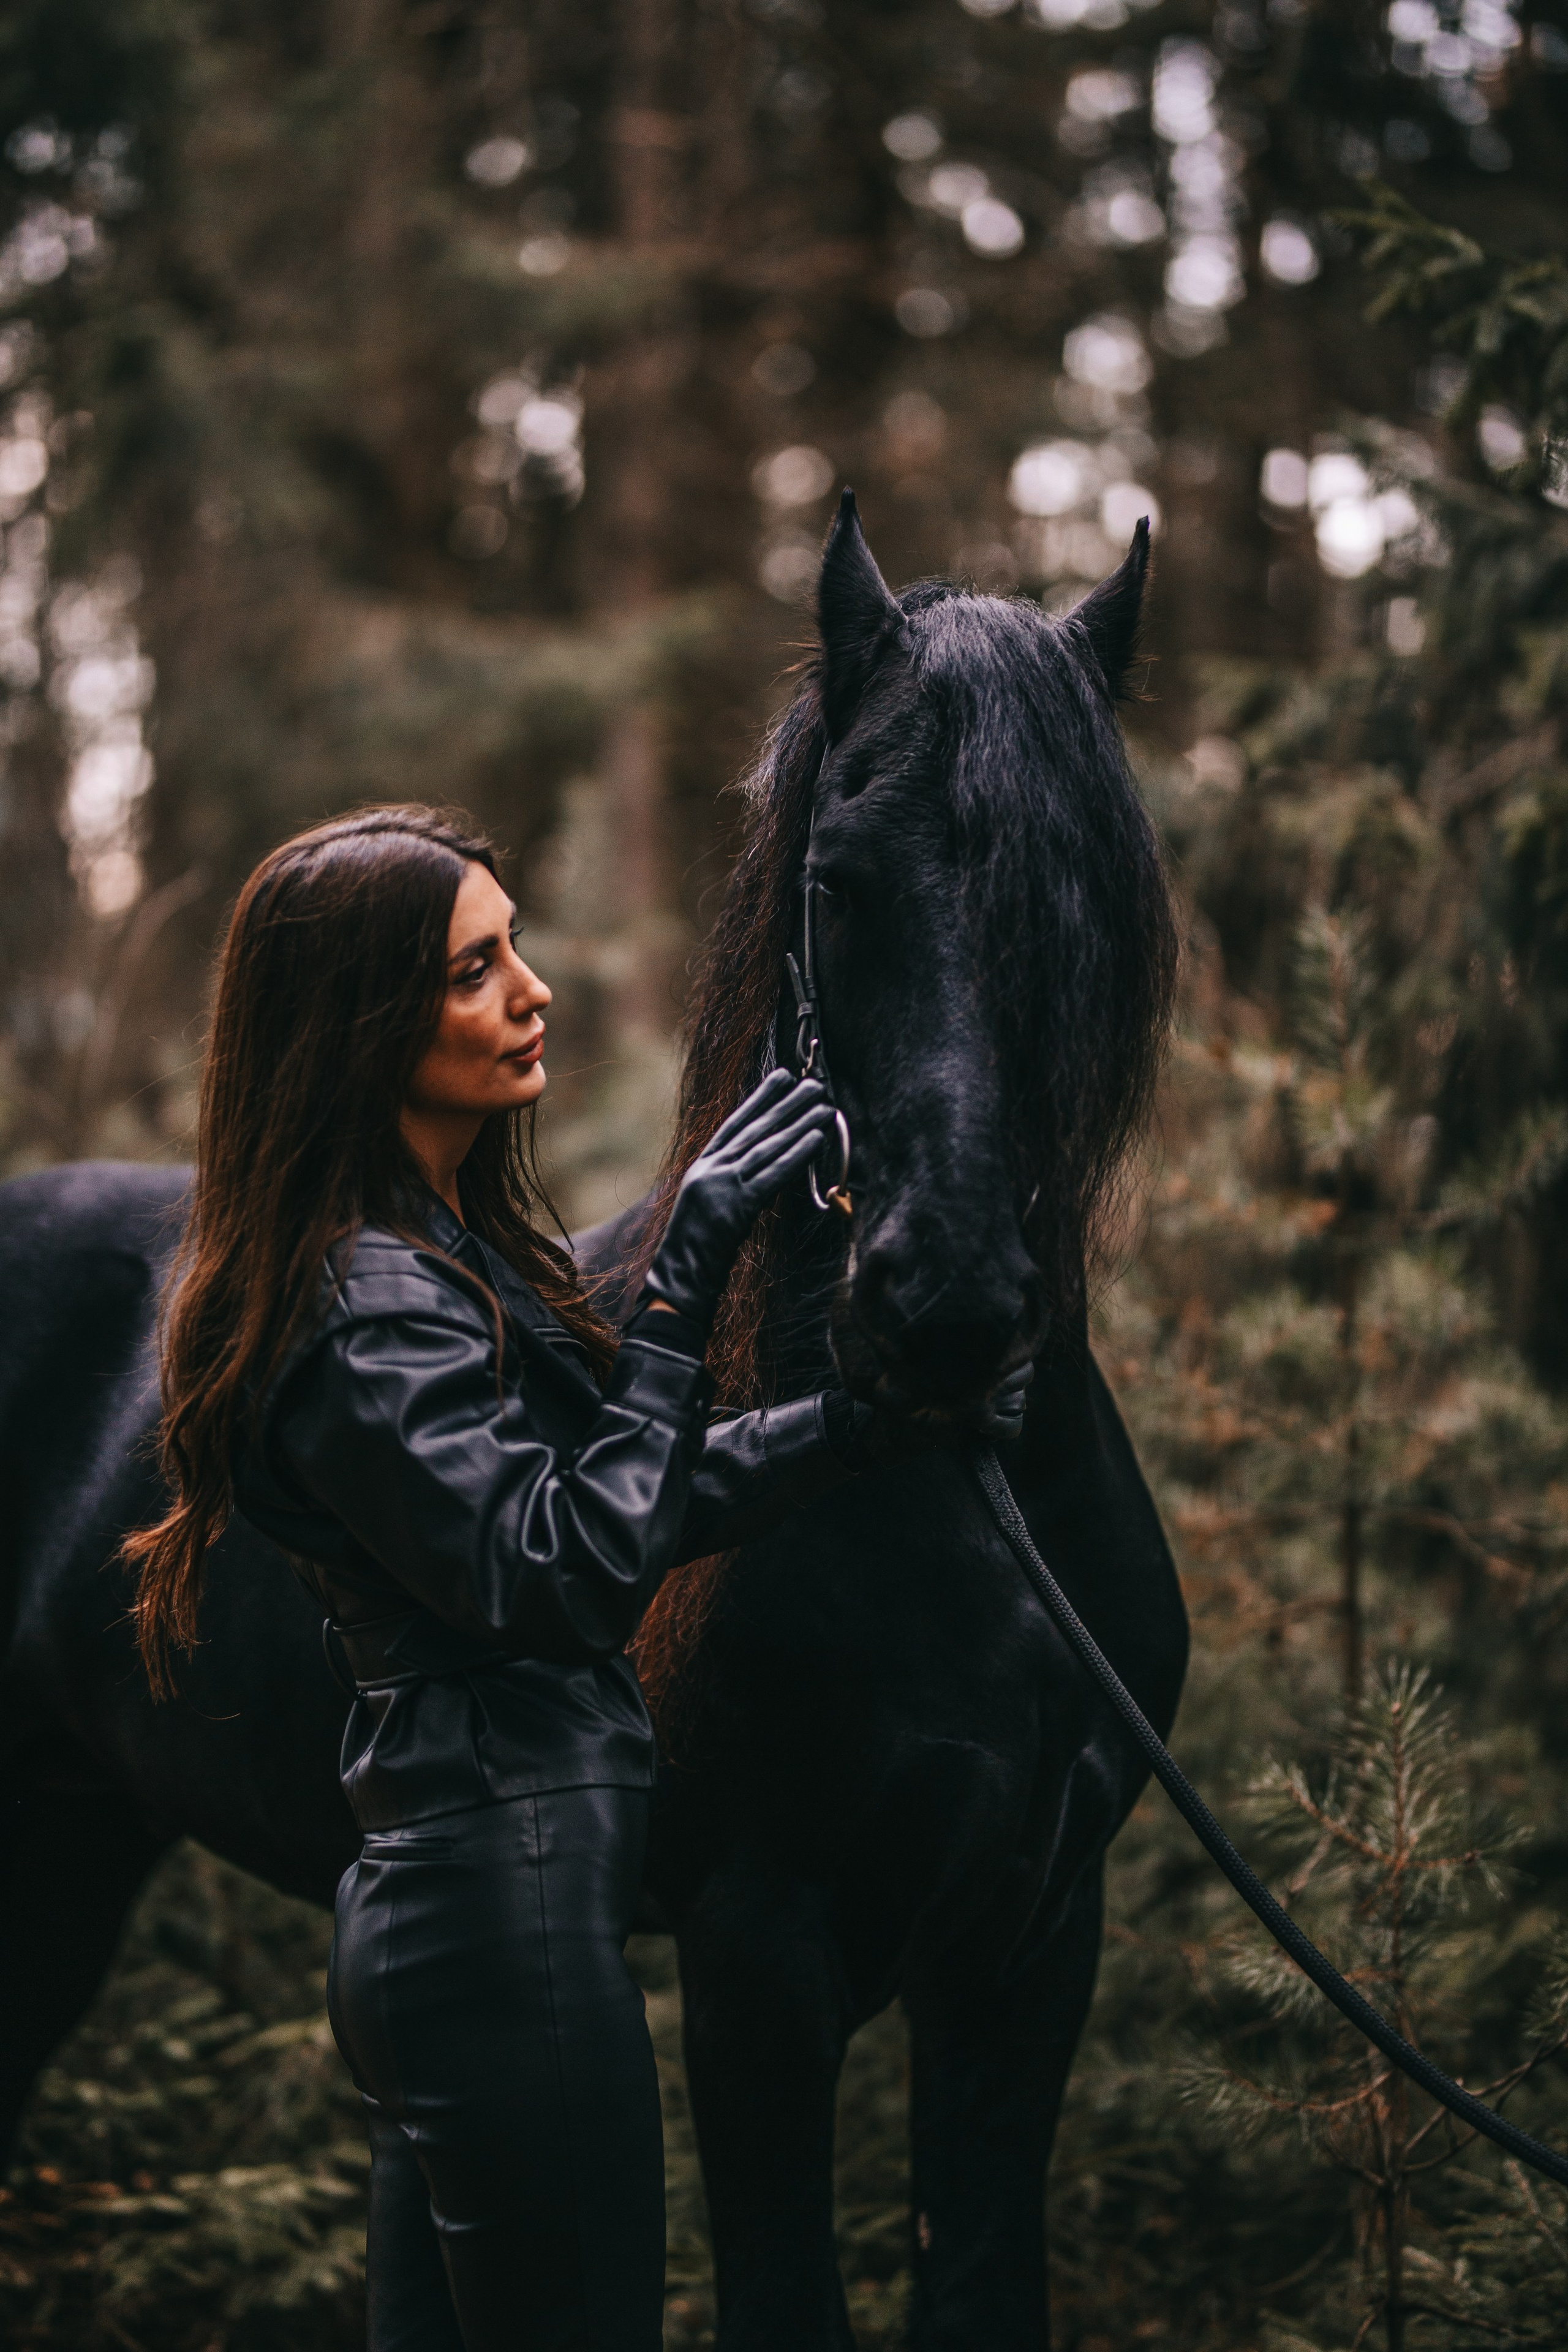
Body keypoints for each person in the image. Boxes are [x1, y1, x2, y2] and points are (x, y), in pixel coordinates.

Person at [123, 804, 893, 2352]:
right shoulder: (366, 1303)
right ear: (360, 1022)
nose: (530, 990)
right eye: (473, 970)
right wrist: (681, 1278)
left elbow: (607, 1503)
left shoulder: (427, 1259)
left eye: (513, 946)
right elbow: (569, 1575)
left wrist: (859, 1424)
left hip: (467, 1930)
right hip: (499, 1934)